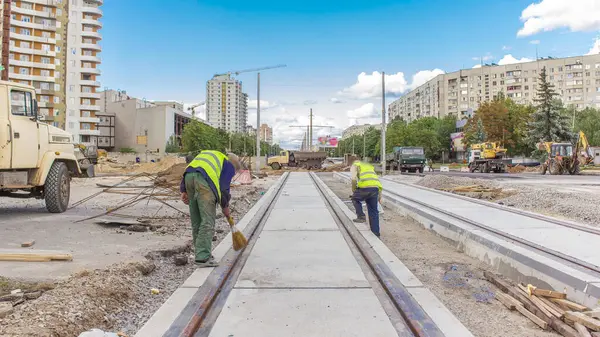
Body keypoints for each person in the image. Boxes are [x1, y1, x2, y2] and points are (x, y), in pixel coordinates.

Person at [180, 150, 241, 267]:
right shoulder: (227, 164)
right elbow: (223, 189)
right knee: (207, 220)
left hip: (189, 177)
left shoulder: (211, 156)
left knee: (197, 220)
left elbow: (191, 168)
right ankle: (203, 257)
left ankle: (200, 253)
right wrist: (225, 206)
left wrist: (183, 190)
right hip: (203, 181)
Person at [350, 160, 383, 237]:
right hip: (375, 189)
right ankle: (376, 233)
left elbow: (354, 179)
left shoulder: (355, 165)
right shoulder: (369, 167)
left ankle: (361, 216)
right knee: (374, 211)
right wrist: (380, 196)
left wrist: (354, 190)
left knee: (354, 198)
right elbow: (376, 180)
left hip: (364, 188)